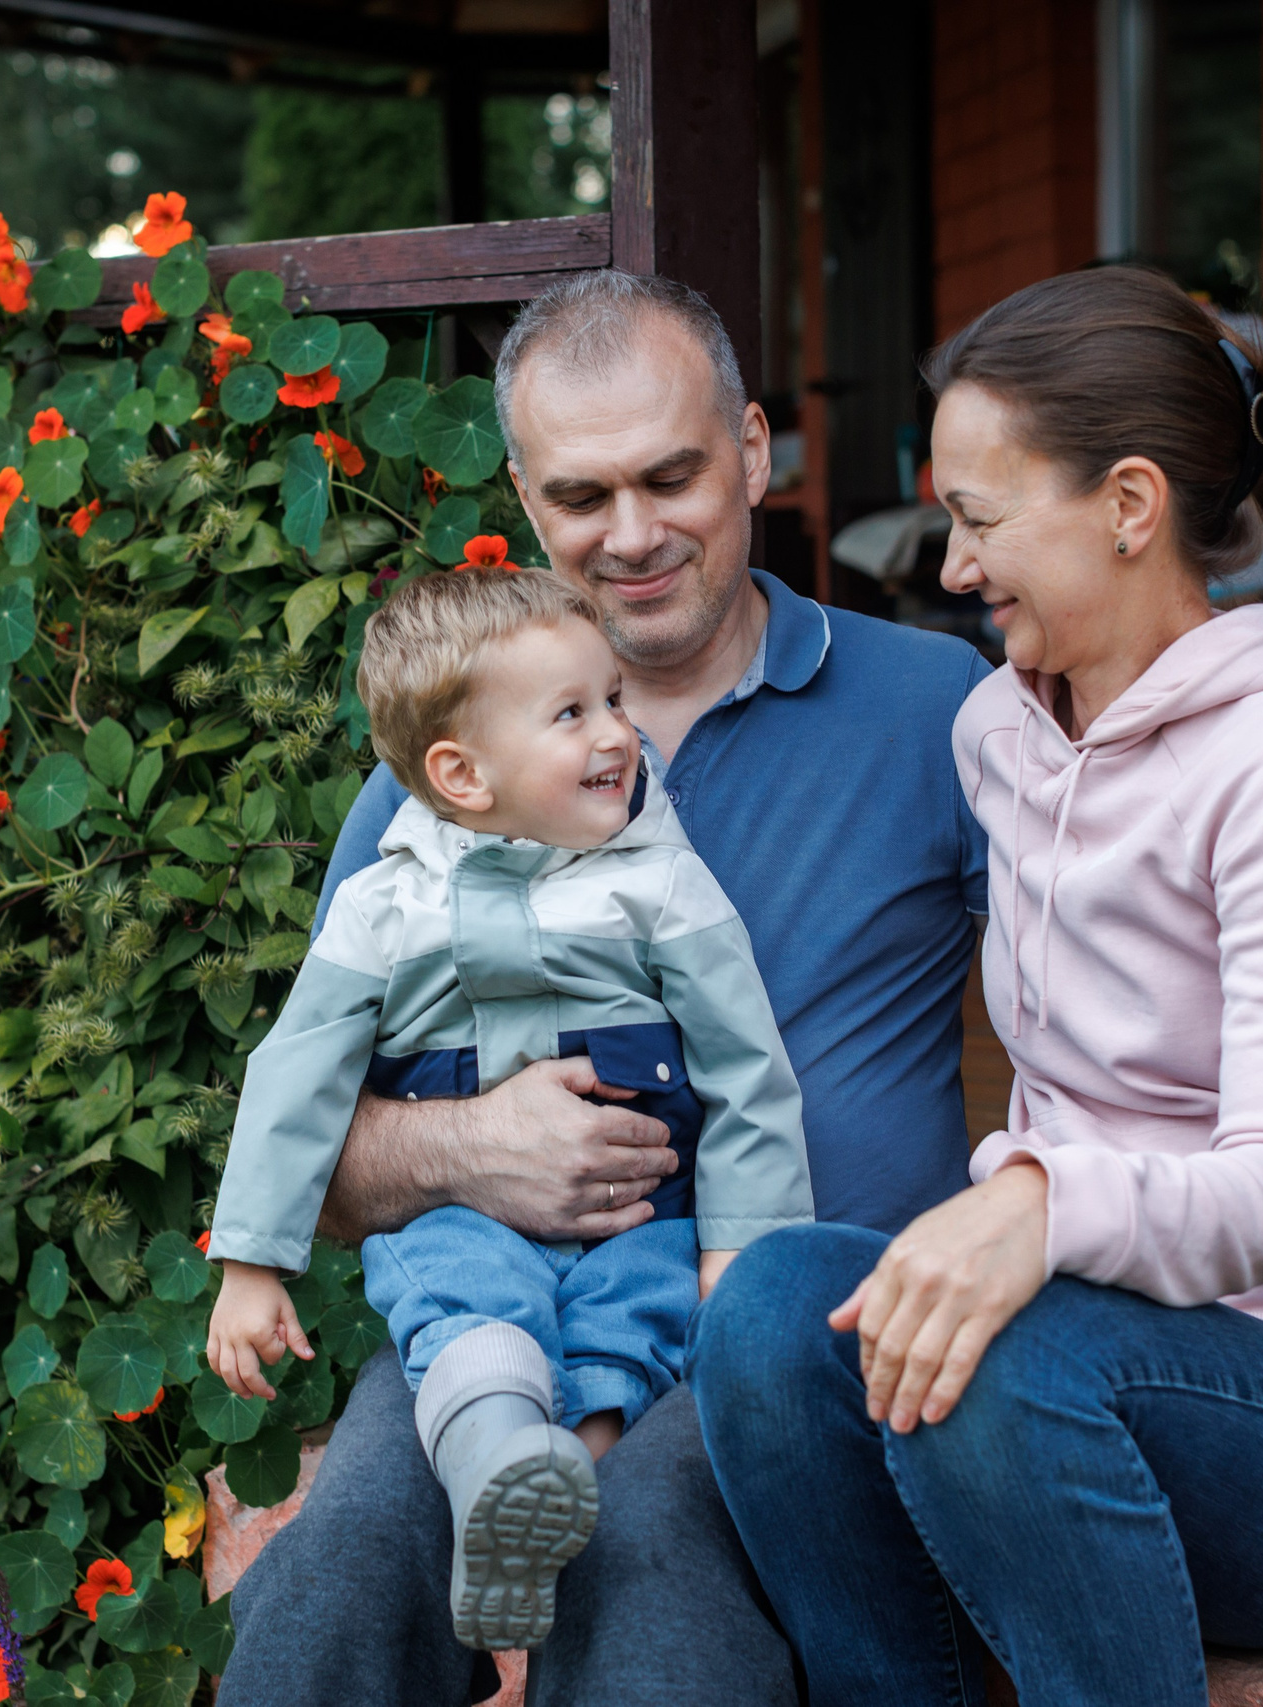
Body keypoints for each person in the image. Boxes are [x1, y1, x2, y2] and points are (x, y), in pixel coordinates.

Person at [216, 269, 1263, 1707]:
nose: (629, 535)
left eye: (671, 475)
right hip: (499, 1310)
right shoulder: (446, 771)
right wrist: (464, 1144)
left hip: (818, 1333)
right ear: (522, 493)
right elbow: (305, 1136)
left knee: (654, 1583)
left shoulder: (942, 709)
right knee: (334, 1573)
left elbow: (1198, 910)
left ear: (753, 452)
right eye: (580, 495)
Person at [692, 268, 1263, 1706]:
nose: (949, 566)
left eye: (982, 520)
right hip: (1080, 1380)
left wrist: (1038, 1203)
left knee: (996, 1354)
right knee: (768, 1309)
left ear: (1129, 504)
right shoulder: (1001, 726)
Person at [202, 567, 810, 1652]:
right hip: (463, 1220)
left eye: (614, 699)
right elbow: (297, 1069)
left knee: (638, 1320)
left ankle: (551, 1494)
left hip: (643, 1220)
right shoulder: (385, 904)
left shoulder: (663, 887)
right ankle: (495, 1473)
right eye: (572, 713)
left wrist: (741, 1250)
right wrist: (253, 1262)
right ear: (461, 774)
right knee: (462, 1302)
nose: (619, 733)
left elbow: (746, 1072)